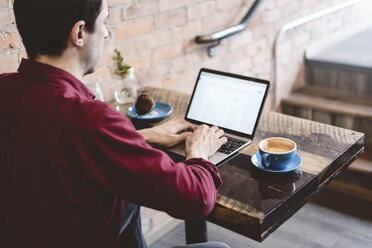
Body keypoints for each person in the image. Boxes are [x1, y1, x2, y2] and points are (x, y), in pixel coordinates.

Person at [0, 0, 230, 247]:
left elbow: (60, 146)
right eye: (104, 22)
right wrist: (199, 153)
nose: (106, 34)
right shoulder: (90, 121)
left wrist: (142, 136)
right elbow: (195, 200)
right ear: (79, 33)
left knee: (127, 202)